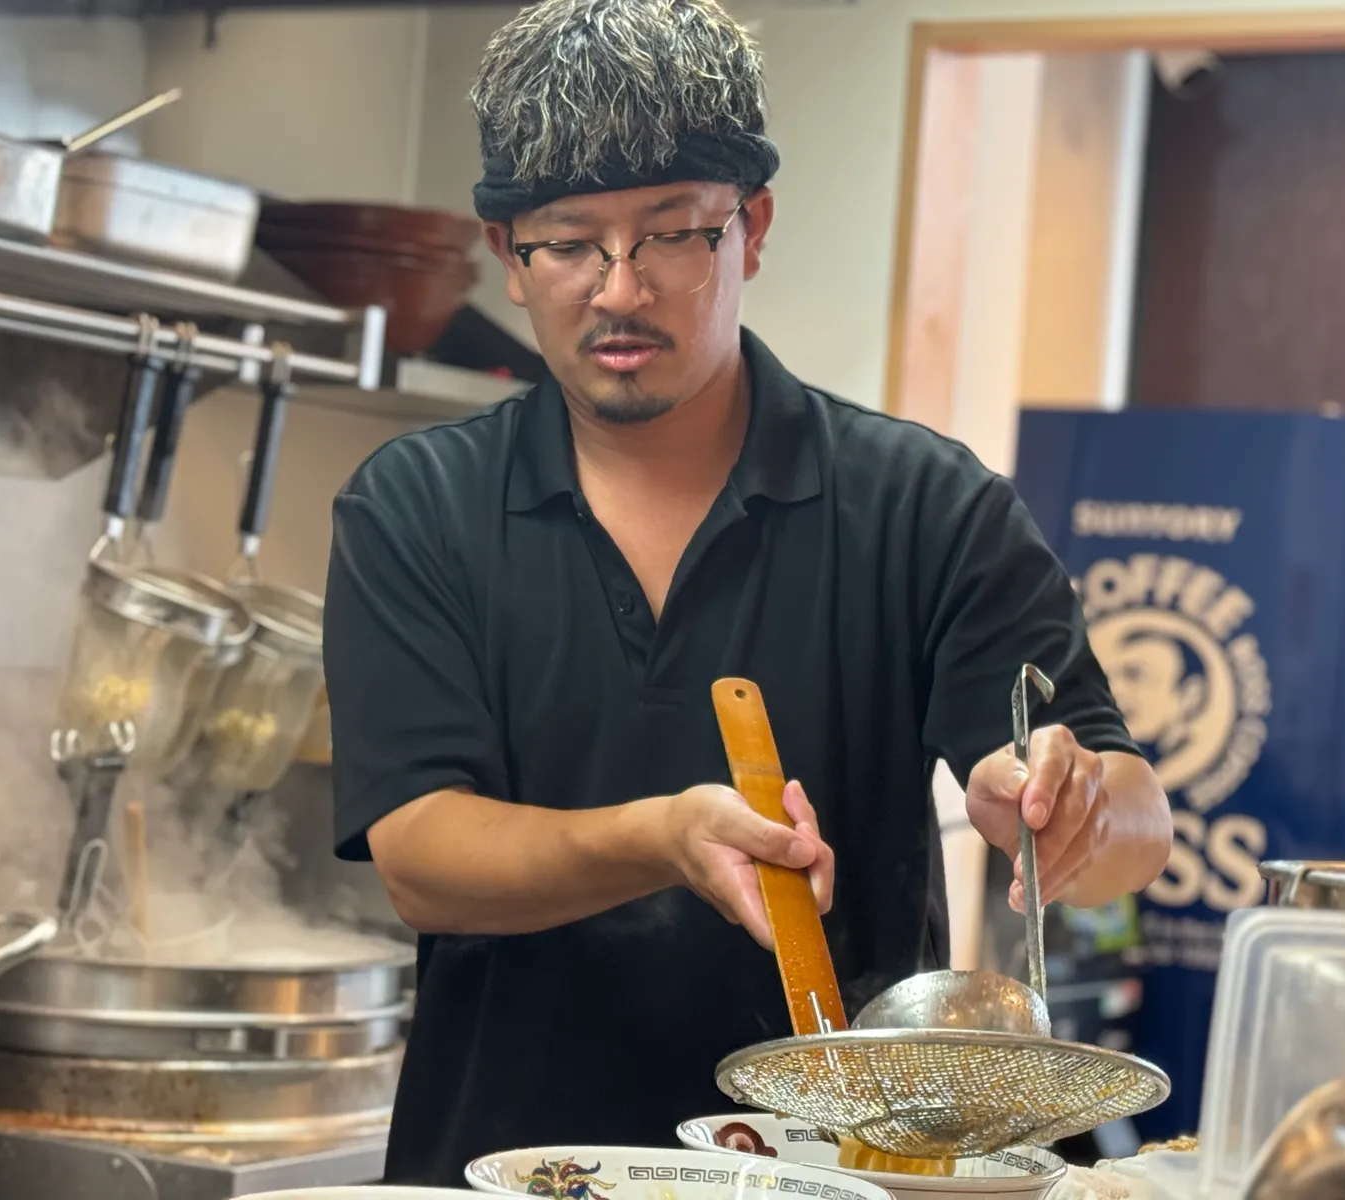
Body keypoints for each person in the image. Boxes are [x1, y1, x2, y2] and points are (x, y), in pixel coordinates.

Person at [323, 0, 1173, 1184]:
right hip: (503, 1164)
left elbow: (1138, 822)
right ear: (506, 254)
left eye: (671, 235)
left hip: (842, 1175)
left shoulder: (924, 505)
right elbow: (421, 855)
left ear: (751, 228)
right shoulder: (415, 507)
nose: (618, 292)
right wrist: (666, 835)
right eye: (568, 243)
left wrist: (1071, 807)